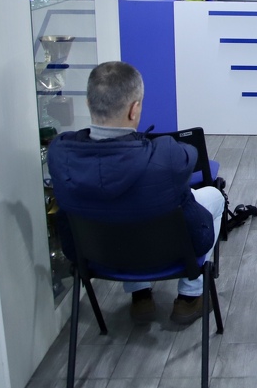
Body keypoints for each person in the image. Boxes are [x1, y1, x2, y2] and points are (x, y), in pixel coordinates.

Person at [47, 61, 224, 325]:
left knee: (118, 210)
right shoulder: (165, 155)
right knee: (214, 196)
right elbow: (192, 155)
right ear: (135, 108)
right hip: (167, 251)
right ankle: (190, 296)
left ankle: (140, 296)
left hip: (95, 256)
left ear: (88, 104)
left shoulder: (60, 153)